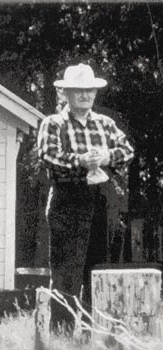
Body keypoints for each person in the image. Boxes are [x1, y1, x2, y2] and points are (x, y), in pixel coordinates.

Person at [37, 63, 134, 331]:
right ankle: (62, 336)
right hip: (67, 201)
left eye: (89, 90)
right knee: (66, 274)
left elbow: (127, 151)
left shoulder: (106, 124)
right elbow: (48, 155)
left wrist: (107, 156)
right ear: (65, 93)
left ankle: (97, 334)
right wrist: (80, 160)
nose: (85, 96)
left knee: (99, 271)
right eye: (78, 91)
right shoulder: (53, 123)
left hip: (102, 201)